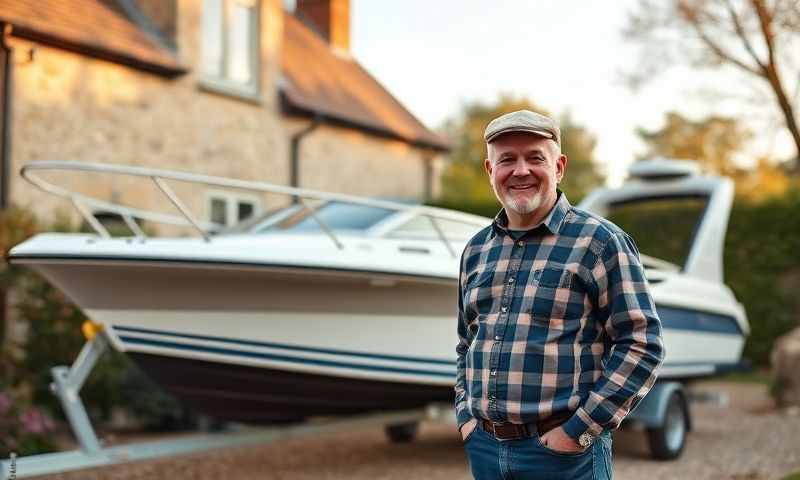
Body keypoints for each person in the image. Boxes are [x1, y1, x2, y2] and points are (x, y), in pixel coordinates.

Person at [454, 110, 664, 480]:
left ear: (559, 166)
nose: (521, 170)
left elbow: (641, 343)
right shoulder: (476, 251)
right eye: (507, 160)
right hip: (485, 450)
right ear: (490, 171)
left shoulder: (599, 242)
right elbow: (465, 344)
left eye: (535, 157)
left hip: (564, 457)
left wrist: (577, 431)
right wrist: (465, 418)